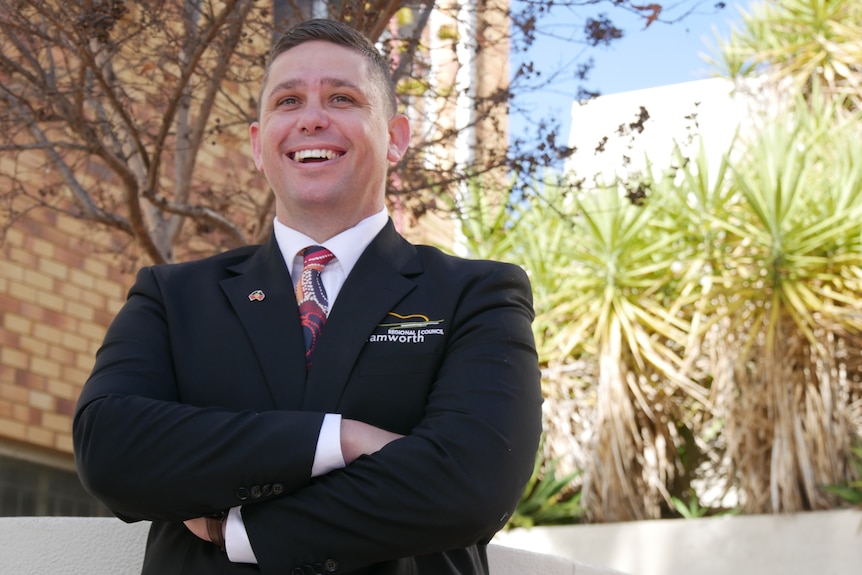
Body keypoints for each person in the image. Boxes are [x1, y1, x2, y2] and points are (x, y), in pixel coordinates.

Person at [73, 18, 542, 575]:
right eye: (288, 100)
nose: (312, 119)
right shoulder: (173, 298)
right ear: (257, 143)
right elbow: (110, 449)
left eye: (342, 98)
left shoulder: (476, 295)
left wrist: (241, 528)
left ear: (395, 138)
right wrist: (340, 439)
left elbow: (472, 482)